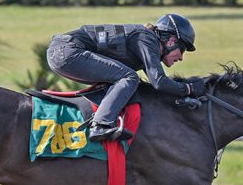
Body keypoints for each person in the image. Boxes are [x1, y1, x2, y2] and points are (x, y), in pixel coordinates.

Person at [46, 13, 205, 142]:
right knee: (129, 77)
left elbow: (158, 82)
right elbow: (159, 82)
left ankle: (100, 118)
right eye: (182, 50)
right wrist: (189, 89)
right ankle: (101, 125)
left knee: (121, 79)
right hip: (67, 51)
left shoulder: (147, 42)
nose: (181, 58)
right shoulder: (147, 39)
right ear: (172, 41)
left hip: (62, 52)